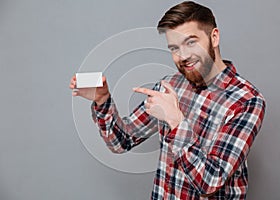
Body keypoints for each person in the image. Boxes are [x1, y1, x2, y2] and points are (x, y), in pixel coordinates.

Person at [69, 1, 266, 199]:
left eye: (191, 42)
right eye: (174, 48)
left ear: (213, 37)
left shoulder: (247, 100)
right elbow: (120, 142)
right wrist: (103, 101)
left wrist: (176, 121)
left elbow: (210, 182)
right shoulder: (169, 86)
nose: (183, 56)